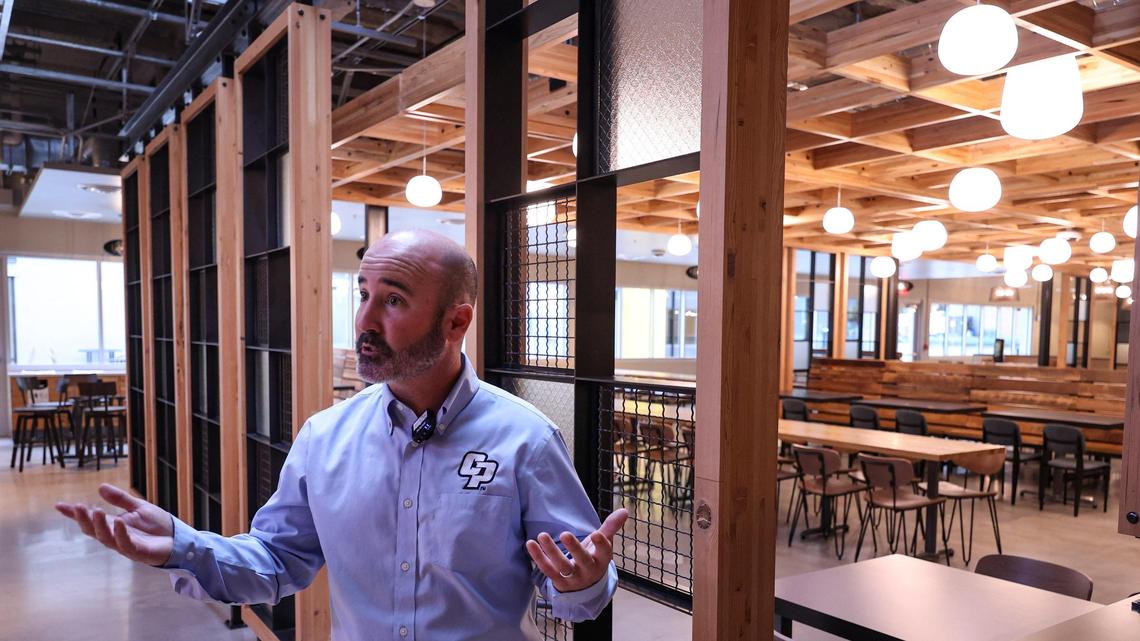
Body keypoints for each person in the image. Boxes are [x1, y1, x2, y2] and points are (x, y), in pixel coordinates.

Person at [56, 229, 628, 640]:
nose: (363, 322)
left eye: (394, 300)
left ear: (457, 321)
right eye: (363, 295)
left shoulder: (525, 439)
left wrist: (584, 583)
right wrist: (184, 547)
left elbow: (574, 592)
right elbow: (278, 559)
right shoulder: (324, 438)